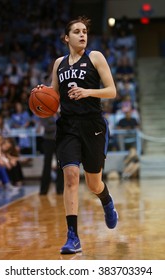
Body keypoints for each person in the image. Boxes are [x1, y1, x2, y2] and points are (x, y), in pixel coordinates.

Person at [33, 16, 118, 254]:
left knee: (93, 183)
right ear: (66, 38)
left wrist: (87, 91)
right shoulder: (58, 63)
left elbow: (112, 90)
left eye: (85, 32)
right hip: (68, 126)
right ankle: (73, 237)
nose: (83, 35)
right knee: (70, 176)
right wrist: (41, 97)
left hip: (93, 125)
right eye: (77, 32)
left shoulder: (95, 57)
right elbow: (54, 96)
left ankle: (107, 201)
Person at [39, 115, 64, 195]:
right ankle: (44, 190)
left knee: (60, 165)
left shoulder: (59, 114)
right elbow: (47, 128)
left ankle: (60, 189)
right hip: (48, 141)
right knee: (47, 165)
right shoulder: (45, 113)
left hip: (59, 141)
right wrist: (58, 124)